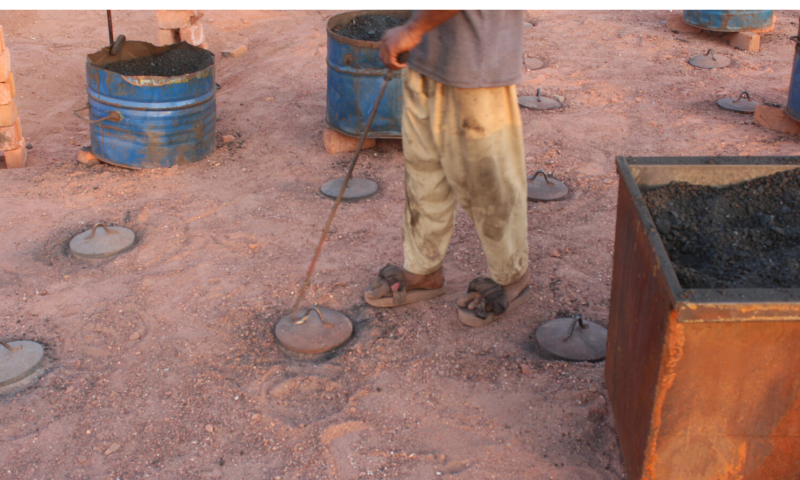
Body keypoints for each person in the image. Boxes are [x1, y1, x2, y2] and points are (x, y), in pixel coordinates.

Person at [364, 11, 531, 327]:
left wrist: (414, 28)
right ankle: (423, 271)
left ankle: (513, 278)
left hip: (476, 62)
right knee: (423, 174)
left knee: (488, 184)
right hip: (426, 55)